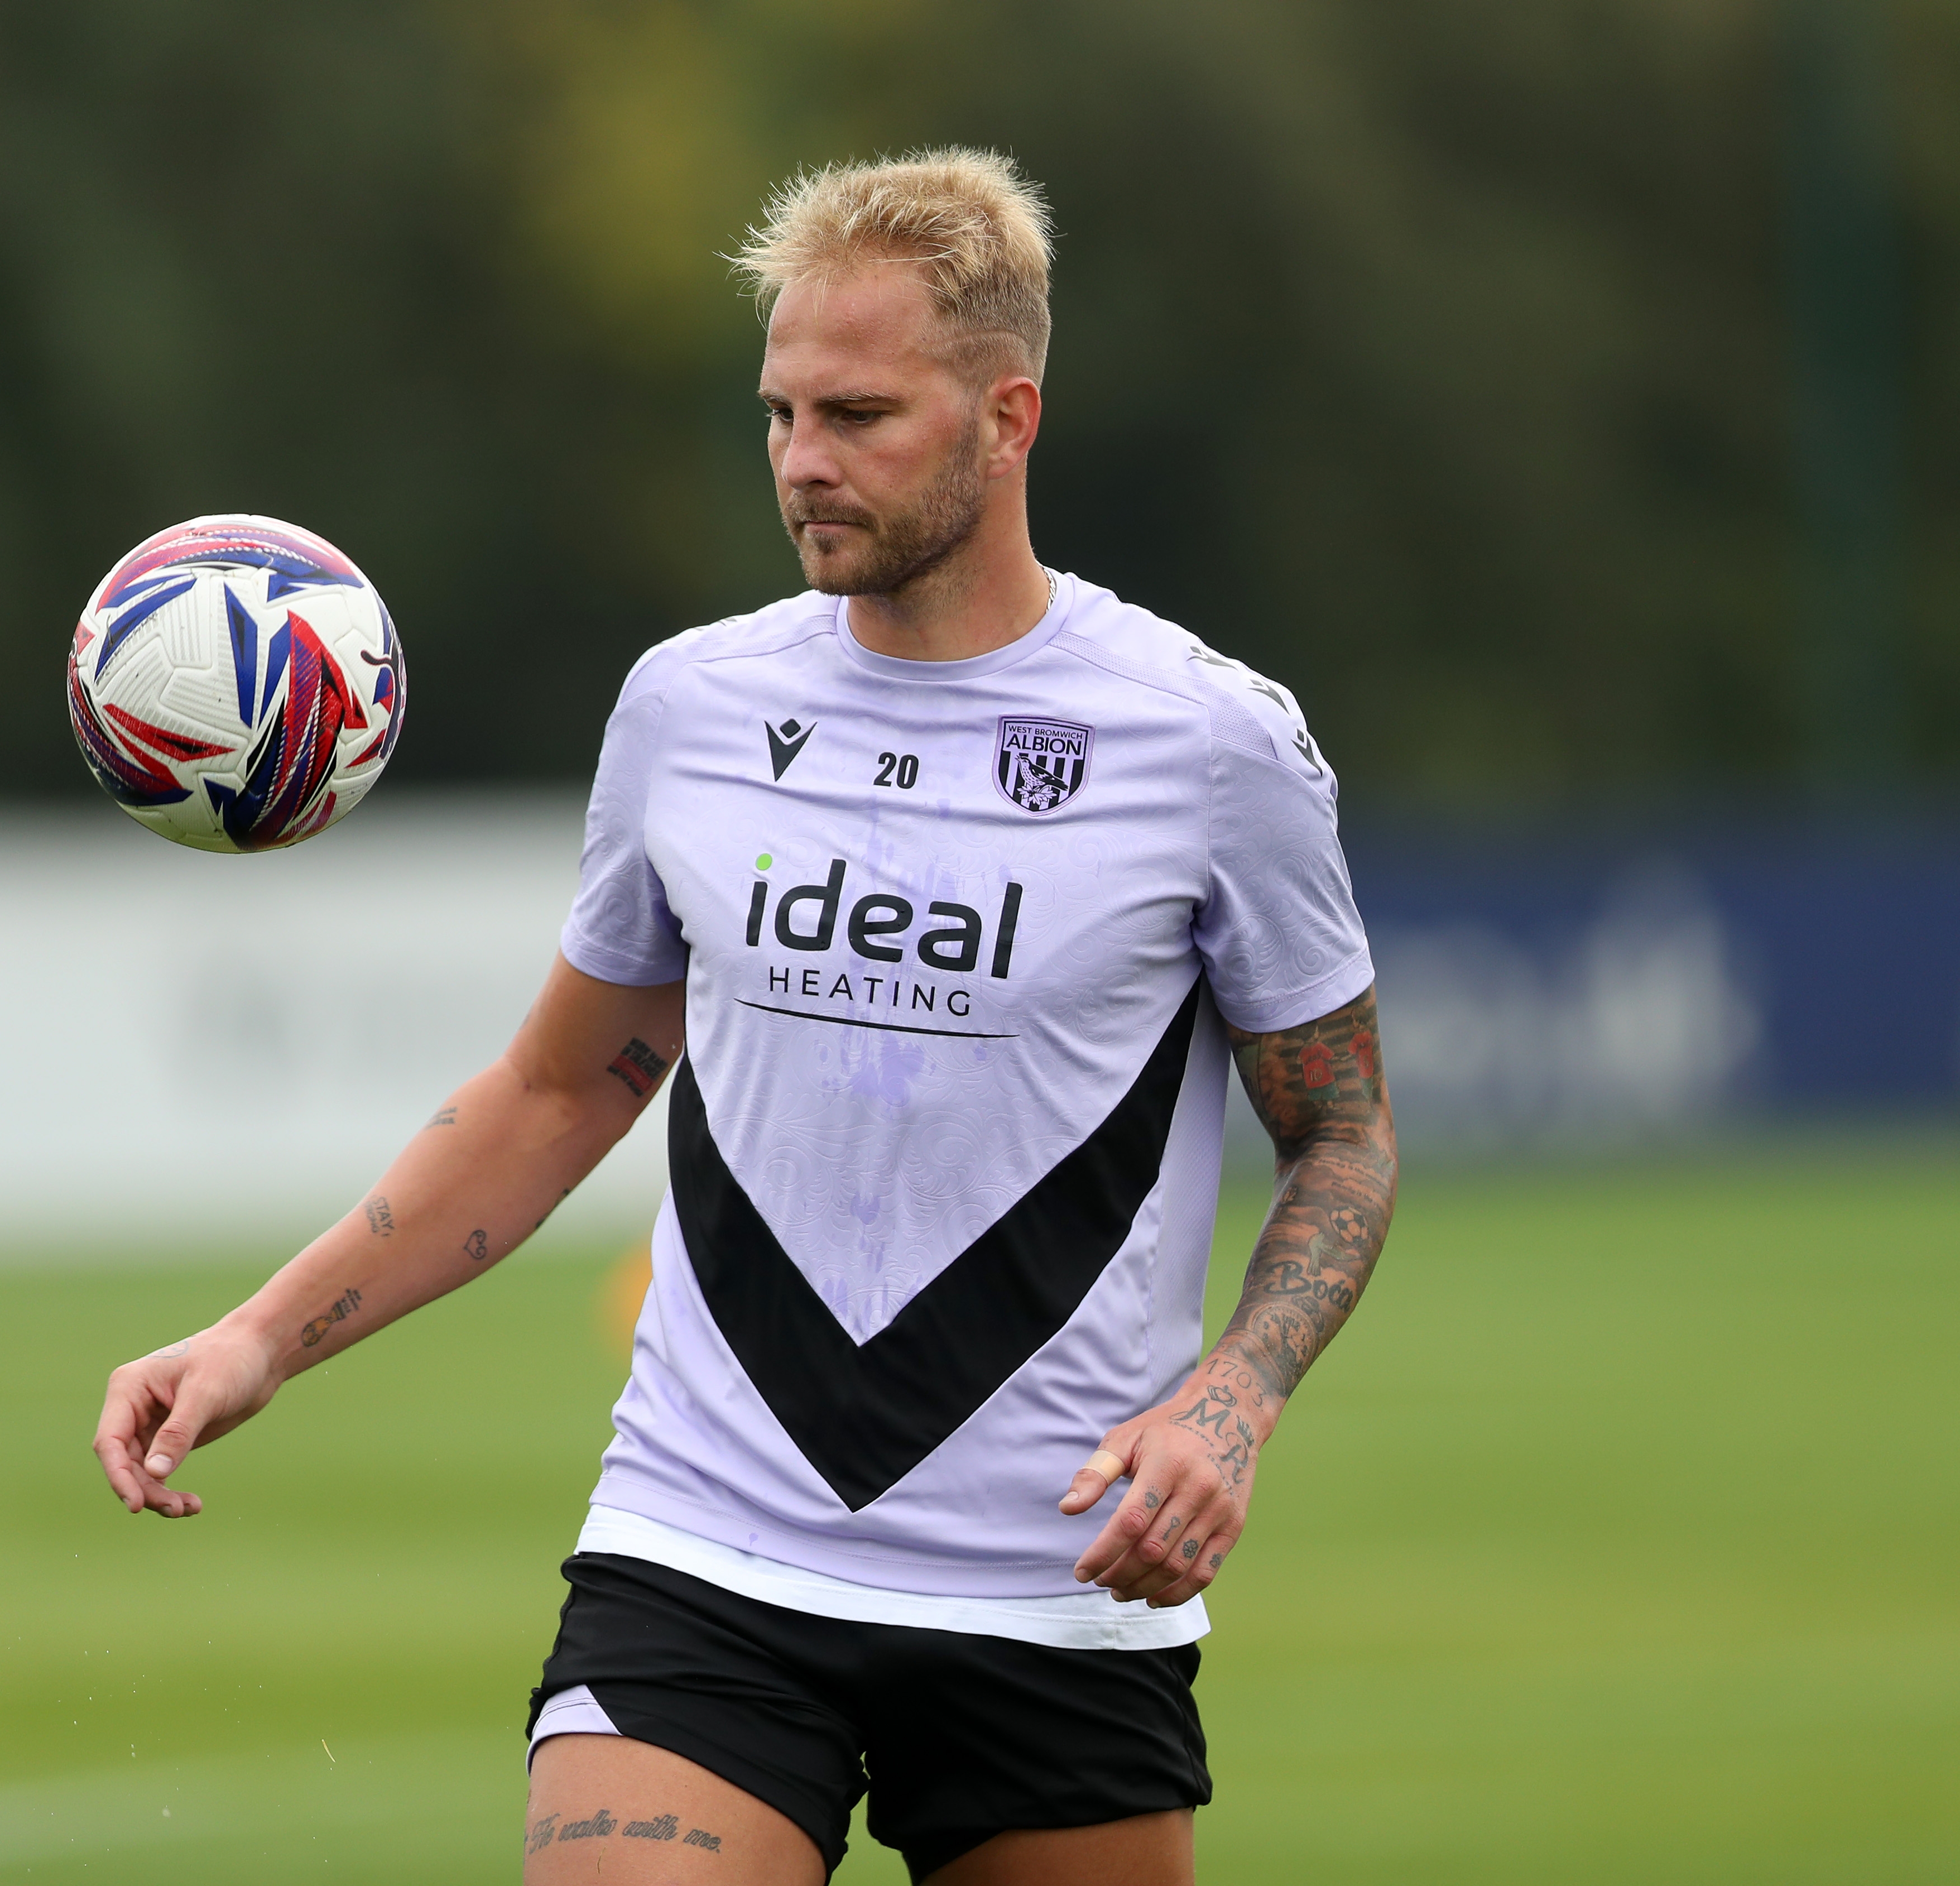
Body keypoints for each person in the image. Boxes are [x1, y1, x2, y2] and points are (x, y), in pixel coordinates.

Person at [93, 150, 1397, 1885]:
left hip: (1055, 1585)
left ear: (1008, 416)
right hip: (704, 1559)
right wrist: (263, 1333)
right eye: (779, 409)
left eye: (857, 413)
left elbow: (1345, 1132)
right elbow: (560, 1087)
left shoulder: (1211, 747)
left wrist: (1234, 1398)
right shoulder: (690, 708)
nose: (800, 458)